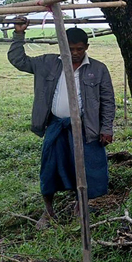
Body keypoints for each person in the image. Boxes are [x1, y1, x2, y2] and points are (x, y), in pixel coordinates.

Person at [8, 21, 115, 229]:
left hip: (86, 128)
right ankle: (48, 212)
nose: (74, 53)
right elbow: (18, 60)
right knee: (50, 168)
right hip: (56, 126)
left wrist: (107, 128)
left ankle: (79, 207)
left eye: (79, 49)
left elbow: (108, 100)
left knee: (85, 168)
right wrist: (19, 34)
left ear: (86, 48)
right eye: (70, 48)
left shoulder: (98, 69)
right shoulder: (47, 63)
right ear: (61, 45)